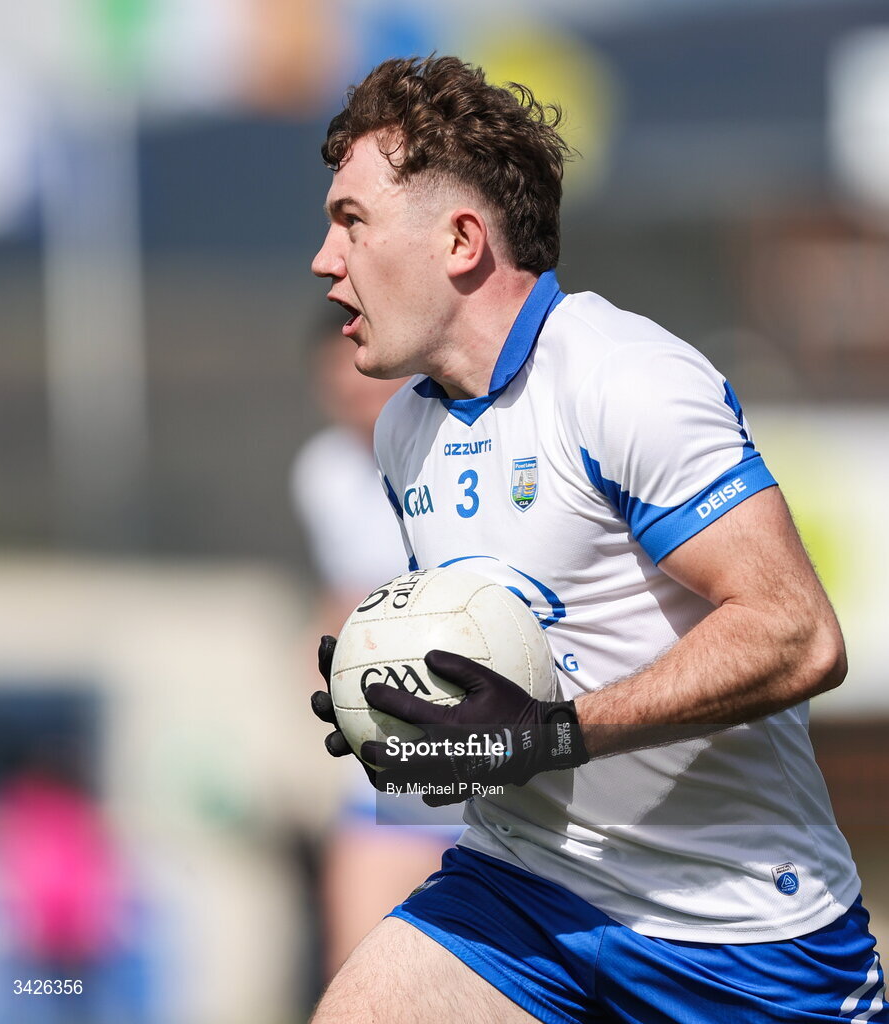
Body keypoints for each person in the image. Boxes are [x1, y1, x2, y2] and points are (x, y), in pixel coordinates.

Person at [308, 55, 887, 1024]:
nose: (326, 260)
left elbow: (796, 633)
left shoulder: (623, 379)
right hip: (522, 888)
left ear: (459, 239)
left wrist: (547, 733)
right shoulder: (404, 428)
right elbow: (516, 658)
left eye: (352, 221)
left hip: (737, 933)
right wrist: (422, 732)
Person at [290, 309, 460, 982]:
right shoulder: (323, 476)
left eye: (371, 383)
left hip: (492, 744)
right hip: (392, 754)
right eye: (342, 390)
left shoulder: (458, 453)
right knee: (358, 967)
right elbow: (342, 601)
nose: (360, 404)